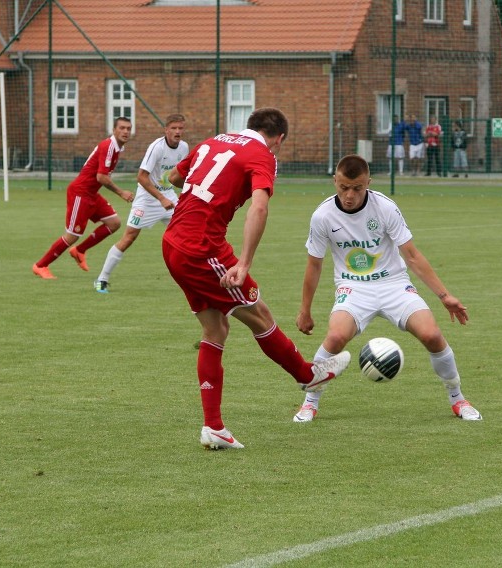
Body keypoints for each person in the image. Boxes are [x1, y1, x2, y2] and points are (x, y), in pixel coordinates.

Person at [162, 107, 352, 450]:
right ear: (279, 138)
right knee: (259, 313)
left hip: (173, 243)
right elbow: (259, 207)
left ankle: (214, 427)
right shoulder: (262, 154)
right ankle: (307, 375)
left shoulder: (213, 140)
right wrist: (245, 263)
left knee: (215, 329)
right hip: (202, 246)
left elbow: (174, 178)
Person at [292, 154, 481, 423]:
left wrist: (444, 295)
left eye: (357, 188)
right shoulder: (322, 215)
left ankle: (458, 398)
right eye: (343, 187)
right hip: (353, 288)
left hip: (393, 284)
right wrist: (305, 310)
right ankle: (310, 403)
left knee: (432, 335)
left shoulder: (385, 208)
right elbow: (314, 265)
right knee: (334, 339)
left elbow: (412, 255)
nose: (349, 195)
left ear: (368, 183)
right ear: (334, 181)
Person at [92, 114, 189, 293]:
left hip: (168, 195)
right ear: (166, 130)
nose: (177, 132)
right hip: (146, 198)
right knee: (129, 237)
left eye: (180, 128)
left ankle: (191, 278)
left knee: (187, 234)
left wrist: (188, 192)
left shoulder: (183, 148)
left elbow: (179, 176)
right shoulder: (157, 148)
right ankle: (102, 279)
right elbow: (141, 177)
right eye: (173, 128)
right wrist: (161, 198)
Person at [32, 117, 134, 279]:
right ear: (114, 130)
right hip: (80, 193)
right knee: (72, 235)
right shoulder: (109, 146)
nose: (126, 131)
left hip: (91, 194)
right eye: (122, 128)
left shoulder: (116, 148)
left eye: (128, 128)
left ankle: (80, 251)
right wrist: (121, 192)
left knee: (114, 223)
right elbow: (101, 177)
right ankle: (41, 265)